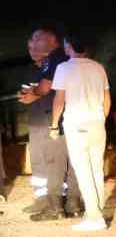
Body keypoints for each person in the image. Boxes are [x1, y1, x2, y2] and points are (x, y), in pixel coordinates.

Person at [49, 34, 112, 232]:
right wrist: (101, 118)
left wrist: (53, 125)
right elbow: (106, 98)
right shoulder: (98, 67)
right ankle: (96, 211)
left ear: (69, 46)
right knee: (96, 169)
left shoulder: (63, 68)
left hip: (77, 124)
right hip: (97, 123)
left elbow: (59, 99)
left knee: (84, 171)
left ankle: (94, 218)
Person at [18, 28, 82, 220]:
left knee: (55, 163)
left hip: (59, 120)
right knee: (71, 163)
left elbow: (46, 87)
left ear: (52, 41)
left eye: (37, 38)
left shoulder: (56, 59)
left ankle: (56, 207)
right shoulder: (82, 64)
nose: (32, 43)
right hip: (72, 119)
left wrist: (34, 94)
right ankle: (71, 204)